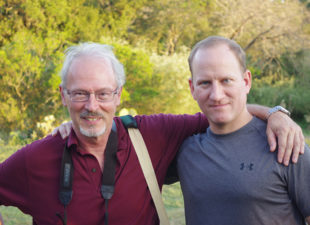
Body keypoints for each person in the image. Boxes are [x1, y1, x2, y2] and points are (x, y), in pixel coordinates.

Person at [0, 42, 304, 225]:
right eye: (80, 94)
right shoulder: (37, 158)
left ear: (118, 95)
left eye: (103, 93)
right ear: (63, 96)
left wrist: (275, 113)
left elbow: (222, 111)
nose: (92, 106)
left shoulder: (152, 135)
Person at [177, 36, 310, 225]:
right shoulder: (184, 151)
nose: (216, 95)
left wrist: (276, 114)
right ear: (192, 88)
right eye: (205, 83)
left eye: (226, 80)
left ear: (246, 81)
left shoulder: (286, 144)